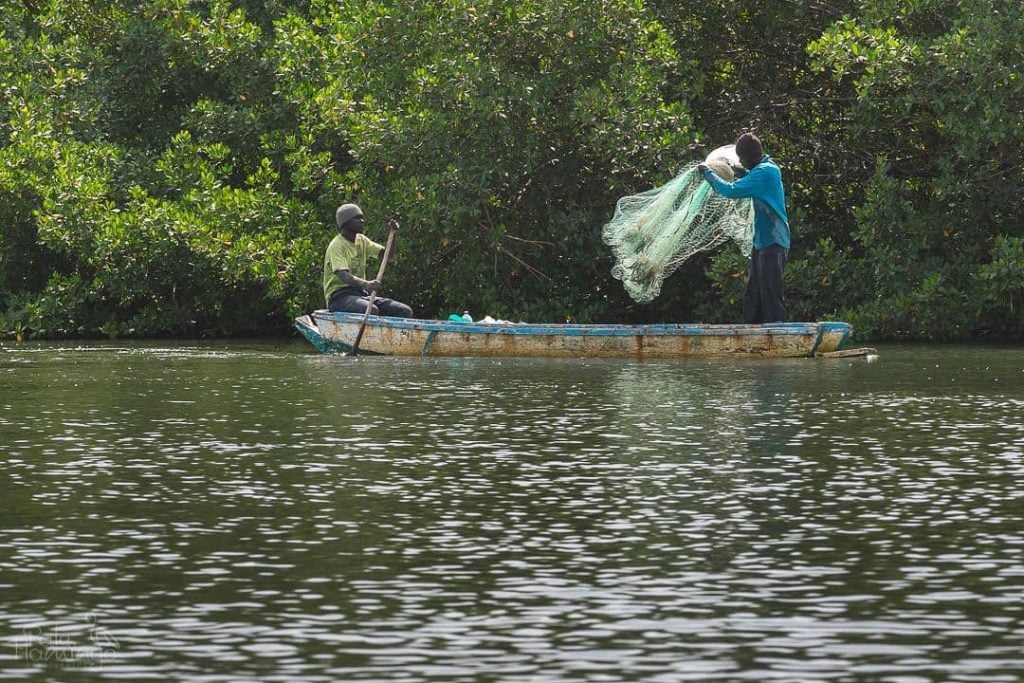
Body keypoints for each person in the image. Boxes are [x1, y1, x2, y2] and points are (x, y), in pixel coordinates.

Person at [698, 133, 790, 323]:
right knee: (753, 294)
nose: (739, 161)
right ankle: (752, 335)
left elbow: (731, 191)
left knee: (770, 294)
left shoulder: (766, 172)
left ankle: (778, 335)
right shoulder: (763, 168)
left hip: (774, 242)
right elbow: (752, 177)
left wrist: (709, 174)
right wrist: (739, 171)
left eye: (741, 159)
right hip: (763, 242)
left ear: (748, 158)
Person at [322, 203, 413, 317]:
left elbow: (387, 254)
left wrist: (393, 234)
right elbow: (344, 276)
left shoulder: (362, 240)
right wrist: (367, 284)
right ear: (346, 222)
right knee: (370, 310)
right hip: (339, 297)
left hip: (361, 295)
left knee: (404, 311)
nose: (362, 221)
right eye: (357, 218)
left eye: (362, 217)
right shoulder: (337, 246)